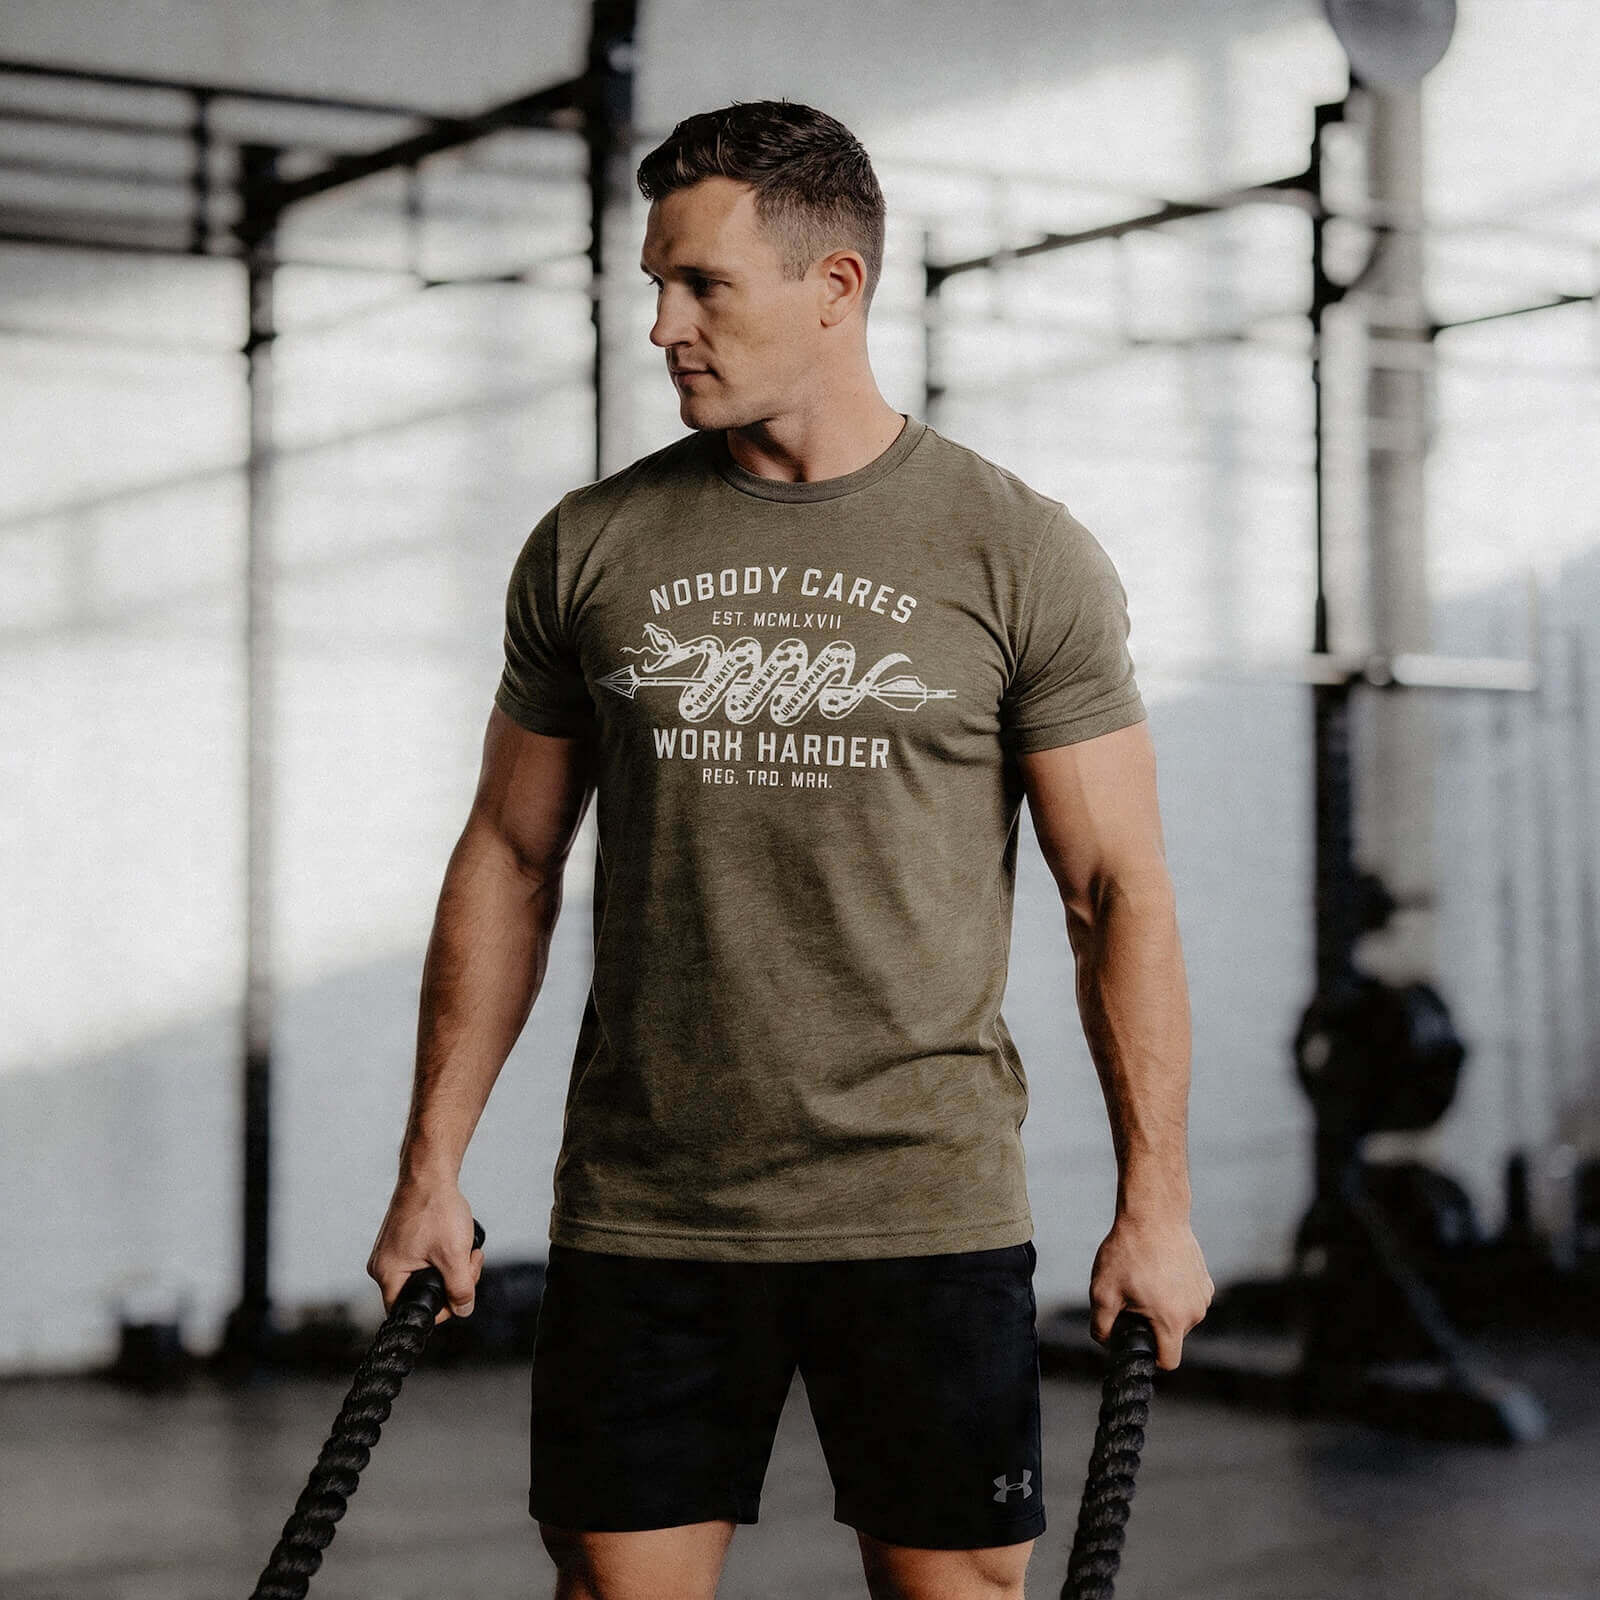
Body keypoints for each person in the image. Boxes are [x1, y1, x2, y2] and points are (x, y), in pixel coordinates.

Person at [366, 98, 1213, 1600]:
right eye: (656, 285)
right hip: (648, 1208)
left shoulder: (1017, 551)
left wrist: (1157, 1203)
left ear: (835, 287)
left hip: (924, 1203)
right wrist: (430, 1166)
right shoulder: (593, 546)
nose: (663, 328)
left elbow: (1113, 890)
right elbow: (508, 856)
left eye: (703, 286)